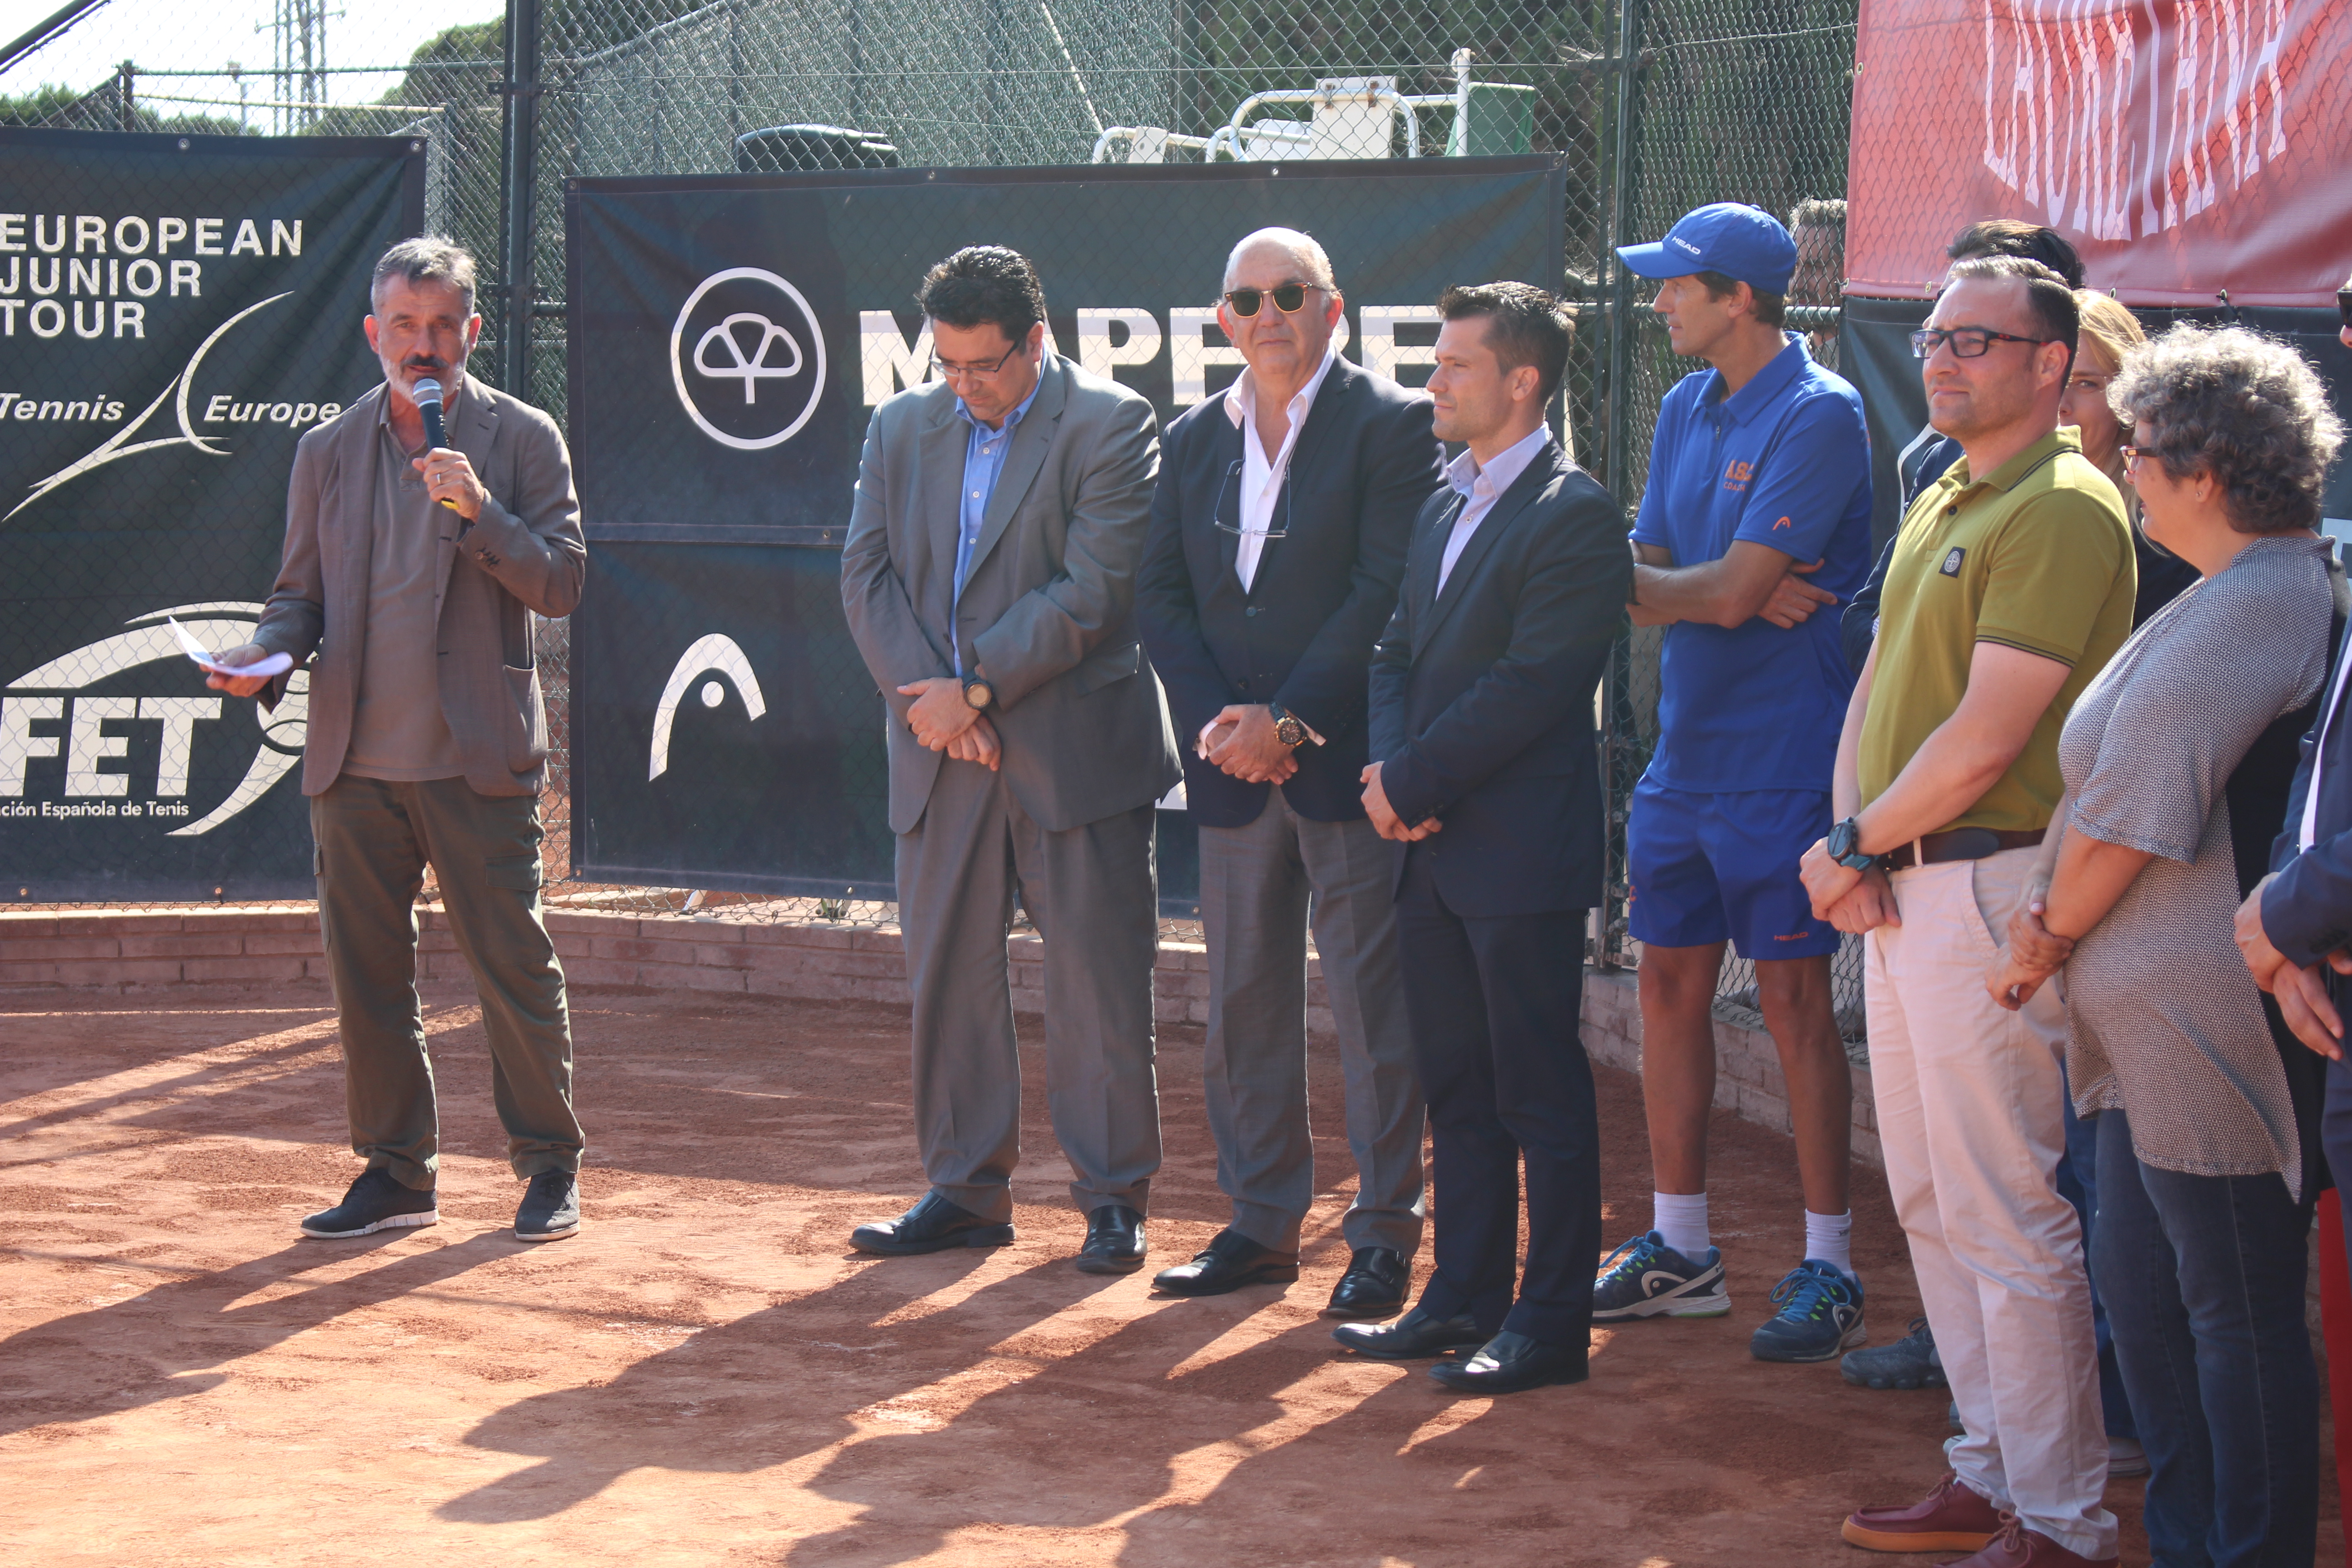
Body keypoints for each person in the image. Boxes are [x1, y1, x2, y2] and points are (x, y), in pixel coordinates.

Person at [1989, 323, 2342, 1568]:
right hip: (2137, 1030)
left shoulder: (2276, 596)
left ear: (2204, 469)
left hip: (2213, 1028)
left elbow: (2141, 802)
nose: (2120, 464)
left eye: (2137, 448)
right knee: (2152, 1316)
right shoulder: (2218, 595)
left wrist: (2040, 937)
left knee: (2232, 1318)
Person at [1799, 255, 2132, 1567]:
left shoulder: (2062, 503)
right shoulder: (1947, 482)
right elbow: (1880, 686)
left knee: (2008, 1212)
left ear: (2053, 367)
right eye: (1937, 337)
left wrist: (1855, 841)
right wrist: (1850, 842)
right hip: (1902, 882)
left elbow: (1991, 734)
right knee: (1936, 1202)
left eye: (1980, 342)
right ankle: (1989, 1476)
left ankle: (2060, 1517)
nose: (1944, 359)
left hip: (1992, 881)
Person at [206, 237, 590, 1244]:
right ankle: (394, 1174)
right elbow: (299, 598)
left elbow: (561, 582)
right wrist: (267, 657)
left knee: (514, 967)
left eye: (443, 326)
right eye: (405, 328)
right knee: (367, 976)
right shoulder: (325, 451)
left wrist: (481, 510)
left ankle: (549, 1166)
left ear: (472, 330)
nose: (425, 346)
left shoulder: (522, 437)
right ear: (377, 335)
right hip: (352, 765)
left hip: (475, 757)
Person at [838, 245, 1178, 1271]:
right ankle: (964, 1187)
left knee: (1099, 985)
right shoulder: (901, 424)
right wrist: (932, 708)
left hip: (1074, 753)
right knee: (947, 975)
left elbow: (1093, 590)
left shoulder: (1112, 423)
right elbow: (865, 577)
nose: (964, 387)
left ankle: (1113, 1196)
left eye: (983, 365)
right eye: (945, 364)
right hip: (940, 752)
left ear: (1037, 340)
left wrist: (973, 689)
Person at [1329, 283, 1627, 1394]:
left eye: (1455, 365)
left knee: (1534, 1089)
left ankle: (1547, 1322)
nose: (1432, 383)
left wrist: (1411, 776)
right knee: (1454, 1085)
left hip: (1517, 856)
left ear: (1521, 382)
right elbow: (1393, 651)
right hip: (1430, 844)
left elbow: (1532, 686)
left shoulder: (1574, 512)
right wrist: (1401, 783)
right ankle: (1460, 1293)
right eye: (1434, 362)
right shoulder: (1440, 499)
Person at [1135, 228, 1441, 1310]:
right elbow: (1159, 594)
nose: (1267, 314)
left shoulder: (1394, 424)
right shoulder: (1189, 437)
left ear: (1331, 308)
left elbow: (1383, 591)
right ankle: (1259, 1223)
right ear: (1222, 318)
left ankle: (1381, 1233)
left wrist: (1294, 720)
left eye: (1289, 293)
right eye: (1246, 299)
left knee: (1370, 1003)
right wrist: (1230, 726)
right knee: (1243, 1003)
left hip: (1343, 765)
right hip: (1230, 770)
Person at [1599, 202, 1873, 1362]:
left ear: (1740, 299)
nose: (1658, 299)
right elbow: (1652, 571)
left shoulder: (1823, 413)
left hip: (1785, 763)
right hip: (1683, 757)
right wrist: (1721, 584)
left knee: (1796, 1006)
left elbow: (1697, 589)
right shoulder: (1681, 405)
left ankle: (1830, 1261)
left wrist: (1721, 587)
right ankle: (1681, 1248)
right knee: (1665, 985)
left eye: (1676, 283)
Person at [1841, 221, 2086, 677]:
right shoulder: (1943, 463)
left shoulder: (2077, 492)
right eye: (1937, 334)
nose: (1943, 358)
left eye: (1973, 336)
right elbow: (1863, 621)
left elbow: (1987, 722)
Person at [1788, 197, 1846, 368]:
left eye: (1815, 267)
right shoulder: (1784, 360)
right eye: (1795, 267)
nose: (1798, 283)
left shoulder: (1869, 365)